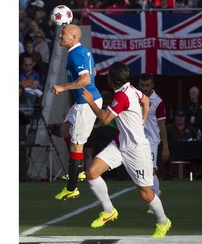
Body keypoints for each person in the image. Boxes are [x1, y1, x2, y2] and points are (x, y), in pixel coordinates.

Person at [81, 62, 172, 238]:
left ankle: (163, 221)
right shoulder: (131, 89)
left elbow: (105, 119)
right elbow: (145, 101)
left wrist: (91, 102)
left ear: (111, 80)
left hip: (137, 150)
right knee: (92, 172)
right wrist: (143, 118)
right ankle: (109, 210)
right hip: (120, 144)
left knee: (146, 194)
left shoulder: (122, 95)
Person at [52, 24, 103, 201]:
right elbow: (94, 71)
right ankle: (78, 168)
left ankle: (72, 187)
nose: (60, 36)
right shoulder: (80, 51)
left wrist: (63, 87)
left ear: (73, 37)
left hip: (86, 102)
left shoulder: (76, 53)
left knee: (76, 144)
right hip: (82, 100)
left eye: (63, 34)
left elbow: (86, 78)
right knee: (65, 130)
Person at [138, 73, 170, 214]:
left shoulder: (158, 101)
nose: (144, 88)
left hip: (151, 140)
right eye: (142, 85)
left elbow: (162, 126)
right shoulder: (135, 97)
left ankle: (155, 198)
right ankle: (155, 194)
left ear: (152, 85)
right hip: (137, 139)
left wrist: (165, 146)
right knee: (143, 172)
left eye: (147, 85)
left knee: (150, 170)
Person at [163, 109, 195, 179]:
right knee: (165, 153)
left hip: (187, 151)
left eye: (182, 116)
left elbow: (195, 140)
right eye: (178, 116)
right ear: (175, 117)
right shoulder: (169, 128)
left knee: (196, 154)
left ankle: (192, 175)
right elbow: (164, 139)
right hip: (173, 151)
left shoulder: (190, 128)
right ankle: (168, 174)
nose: (180, 118)